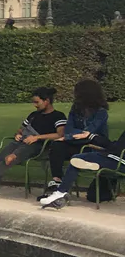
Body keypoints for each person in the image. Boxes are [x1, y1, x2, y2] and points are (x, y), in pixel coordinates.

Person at [0, 87, 66, 200]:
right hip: (22, 142)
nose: (35, 105)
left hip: (39, 146)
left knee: (10, 158)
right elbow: (21, 129)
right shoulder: (34, 115)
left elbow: (60, 135)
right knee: (1, 159)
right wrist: (18, 134)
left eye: (37, 102)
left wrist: (37, 137)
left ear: (47, 101)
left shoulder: (58, 116)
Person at [38, 80, 110, 209]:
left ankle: (61, 190)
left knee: (74, 148)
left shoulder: (101, 112)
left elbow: (91, 132)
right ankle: (56, 181)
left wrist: (70, 137)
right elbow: (69, 129)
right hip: (75, 141)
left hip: (94, 144)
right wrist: (71, 136)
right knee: (57, 146)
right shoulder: (75, 109)